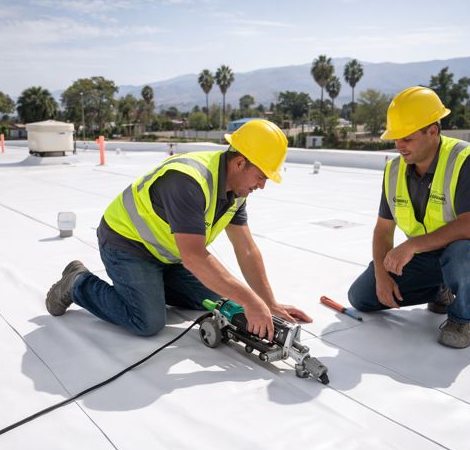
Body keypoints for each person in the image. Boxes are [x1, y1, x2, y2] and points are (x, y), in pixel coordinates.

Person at [45, 119, 312, 339]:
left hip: (168, 256)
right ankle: (78, 282)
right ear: (240, 162)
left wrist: (268, 302)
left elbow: (247, 250)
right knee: (147, 322)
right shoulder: (188, 181)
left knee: (223, 297)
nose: (262, 185)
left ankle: (152, 286)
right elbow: (194, 257)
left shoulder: (237, 190)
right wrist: (252, 303)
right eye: (261, 176)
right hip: (127, 245)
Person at [347, 86, 470, 349]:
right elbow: (383, 230)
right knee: (361, 297)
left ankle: (461, 317)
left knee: (463, 256)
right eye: (396, 139)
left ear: (432, 131)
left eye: (407, 139)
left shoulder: (469, 160)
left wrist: (411, 245)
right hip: (430, 255)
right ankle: (441, 290)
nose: (399, 146)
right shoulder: (394, 170)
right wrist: (381, 275)